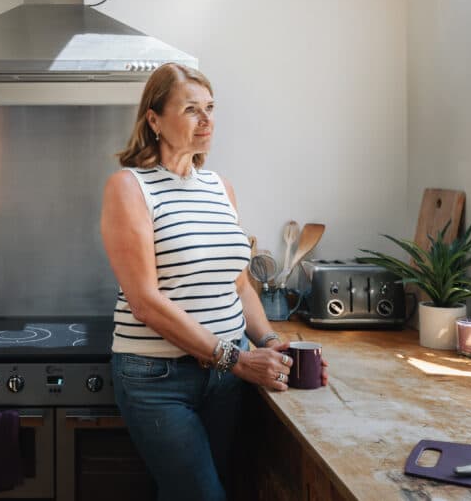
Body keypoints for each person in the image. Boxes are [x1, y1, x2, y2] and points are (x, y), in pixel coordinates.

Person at [100, 63, 328, 501]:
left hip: (225, 378)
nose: (207, 120)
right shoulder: (129, 188)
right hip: (157, 376)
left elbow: (239, 284)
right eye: (191, 109)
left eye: (210, 108)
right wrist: (237, 360)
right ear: (154, 120)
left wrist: (269, 340)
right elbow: (144, 302)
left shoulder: (219, 188)